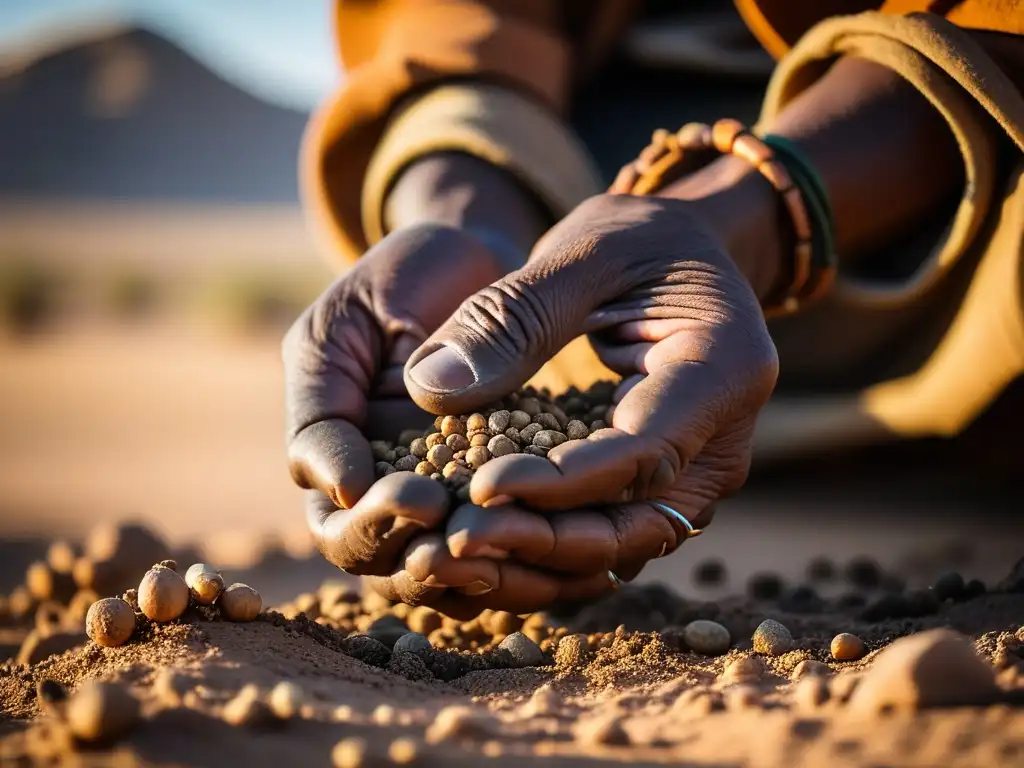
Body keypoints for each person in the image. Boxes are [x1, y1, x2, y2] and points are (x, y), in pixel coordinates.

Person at [284, 1, 1024, 617]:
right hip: (602, 284)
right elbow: (457, 24)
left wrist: (746, 213)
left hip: (944, 206)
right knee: (564, 472)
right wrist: (469, 214)